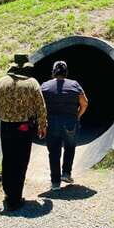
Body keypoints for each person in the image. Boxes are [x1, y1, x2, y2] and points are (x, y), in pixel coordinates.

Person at [0, 54, 48, 211]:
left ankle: (9, 194)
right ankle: (16, 197)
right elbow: (41, 107)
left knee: (8, 160)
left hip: (7, 128)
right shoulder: (32, 83)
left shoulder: (1, 82)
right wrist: (42, 125)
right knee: (21, 161)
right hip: (24, 128)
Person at [41, 61, 88, 190]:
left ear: (53, 72)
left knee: (54, 151)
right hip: (70, 121)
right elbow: (84, 103)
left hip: (51, 122)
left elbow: (39, 105)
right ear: (66, 72)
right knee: (70, 146)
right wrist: (77, 115)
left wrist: (42, 121)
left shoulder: (45, 86)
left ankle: (55, 182)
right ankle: (66, 174)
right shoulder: (74, 85)